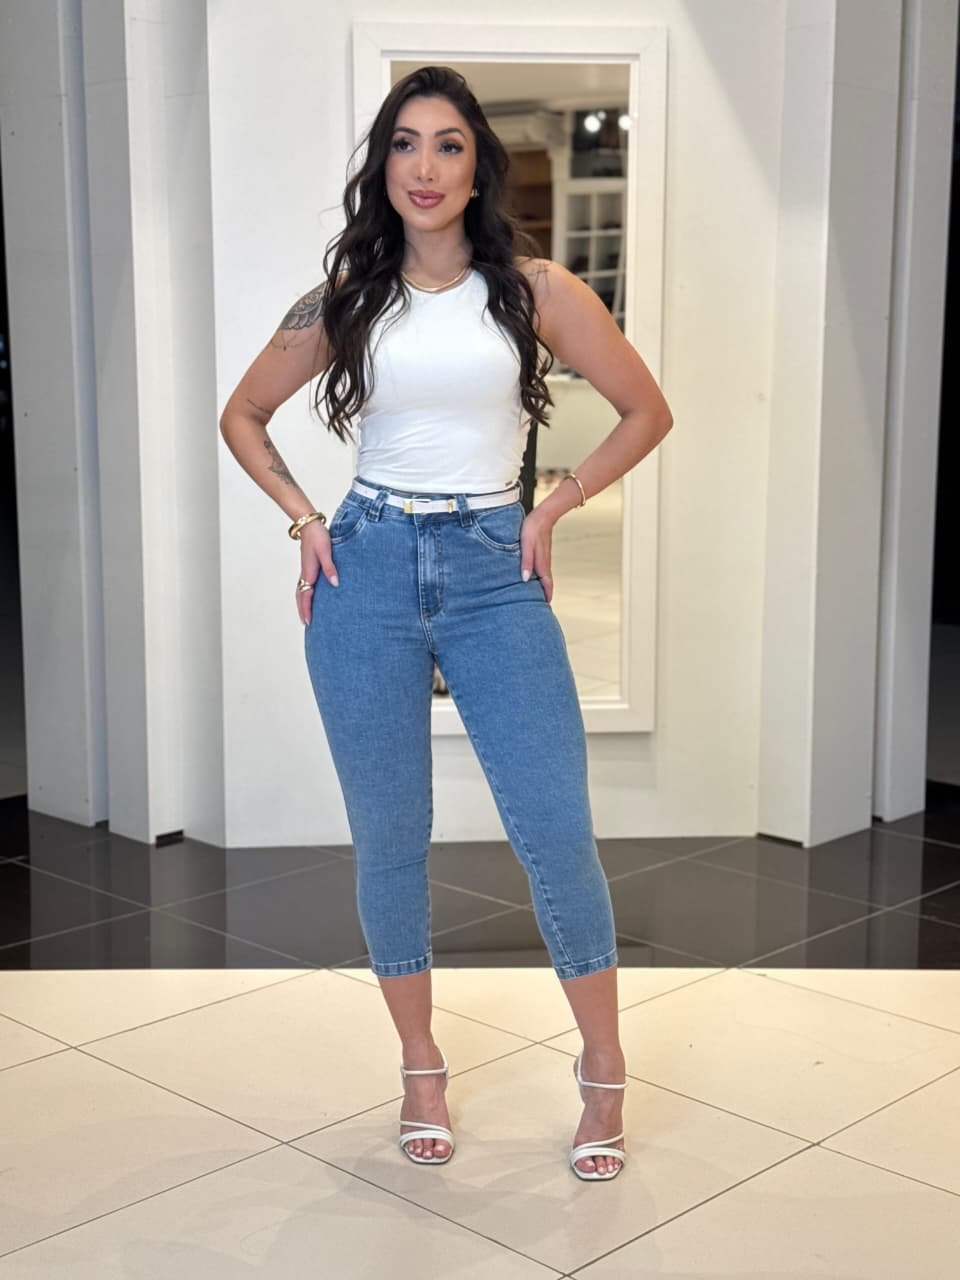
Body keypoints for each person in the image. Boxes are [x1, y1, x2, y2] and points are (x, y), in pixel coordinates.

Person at [219, 65, 673, 1181]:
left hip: (490, 568)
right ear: (384, 164)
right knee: (390, 837)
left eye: (449, 145)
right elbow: (244, 412)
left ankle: (603, 1063)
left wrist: (553, 504)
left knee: (554, 826)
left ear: (479, 168)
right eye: (406, 144)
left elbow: (645, 409)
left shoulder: (535, 289)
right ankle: (420, 1067)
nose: (425, 167)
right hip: (367, 568)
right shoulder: (346, 297)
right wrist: (303, 520)